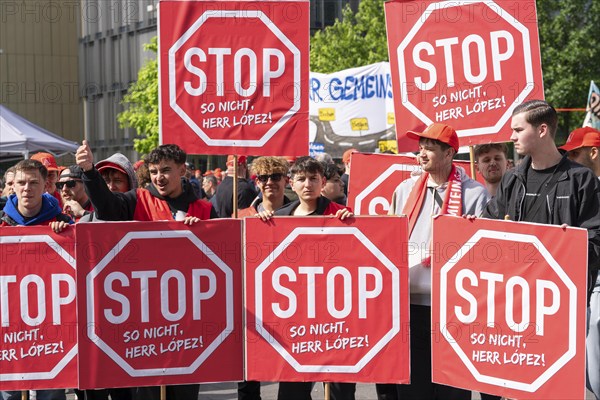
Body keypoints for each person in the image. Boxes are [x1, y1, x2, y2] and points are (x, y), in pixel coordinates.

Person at [76, 141, 216, 400]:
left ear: (182, 170)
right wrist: (89, 171)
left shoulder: (205, 209)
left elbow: (221, 260)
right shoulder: (137, 199)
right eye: (153, 172)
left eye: (165, 170)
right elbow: (106, 207)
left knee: (184, 392)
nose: (158, 178)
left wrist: (205, 234)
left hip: (188, 323)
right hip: (145, 320)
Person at [482, 101, 600, 398]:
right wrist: (474, 226)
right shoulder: (512, 178)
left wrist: (567, 244)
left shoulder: (580, 178)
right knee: (518, 384)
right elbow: (490, 226)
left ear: (542, 129)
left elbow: (596, 237)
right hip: (517, 304)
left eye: (518, 129)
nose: (512, 136)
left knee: (557, 385)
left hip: (561, 305)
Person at [388, 123, 489, 399]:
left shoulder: (475, 194)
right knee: (412, 390)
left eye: (429, 149)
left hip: (454, 309)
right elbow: (387, 239)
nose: (421, 154)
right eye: (420, 148)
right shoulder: (404, 189)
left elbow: (485, 251)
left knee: (452, 390)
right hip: (409, 307)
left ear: (449, 154)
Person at [0, 159, 72, 400]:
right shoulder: (1, 223)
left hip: (51, 326)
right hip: (8, 324)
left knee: (50, 393)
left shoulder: (63, 224)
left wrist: (68, 234)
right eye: (21, 183)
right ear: (13, 186)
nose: (26, 188)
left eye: (33, 183)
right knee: (9, 393)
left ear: (45, 186)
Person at [559, 126, 600, 400]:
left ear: (594, 152)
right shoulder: (576, 187)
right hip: (584, 282)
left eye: (575, 153)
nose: (569, 159)